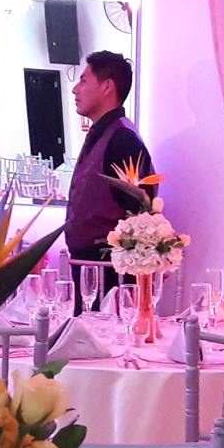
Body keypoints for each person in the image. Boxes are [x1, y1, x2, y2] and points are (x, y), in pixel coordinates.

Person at [65, 50, 154, 304]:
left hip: (111, 277)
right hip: (90, 269)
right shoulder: (103, 134)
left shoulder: (122, 140)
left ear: (106, 87)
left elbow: (140, 215)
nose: (75, 89)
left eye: (83, 80)